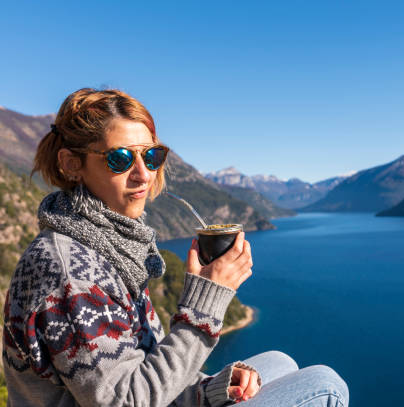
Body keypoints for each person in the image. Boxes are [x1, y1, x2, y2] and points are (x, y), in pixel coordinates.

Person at [2, 88, 349, 406]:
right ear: (71, 164)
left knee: (279, 362)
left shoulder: (112, 246)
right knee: (325, 385)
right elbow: (124, 401)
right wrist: (204, 308)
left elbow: (145, 369)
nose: (143, 174)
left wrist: (215, 389)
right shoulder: (68, 269)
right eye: (120, 159)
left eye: (151, 156)